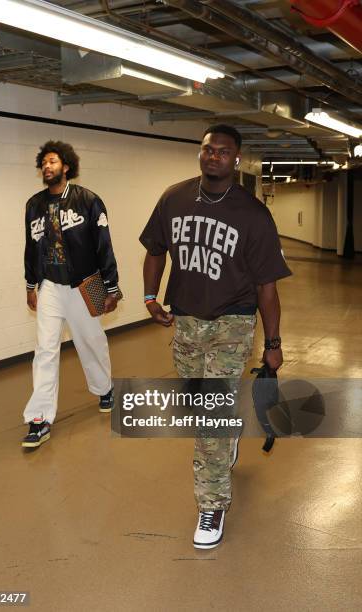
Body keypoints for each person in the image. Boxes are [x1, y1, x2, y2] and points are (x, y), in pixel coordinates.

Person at [139, 124, 291, 549]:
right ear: (200, 153)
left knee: (210, 415)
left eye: (224, 152)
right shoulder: (174, 198)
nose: (214, 157)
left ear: (236, 160)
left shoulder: (253, 215)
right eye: (208, 149)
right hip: (186, 319)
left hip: (233, 322)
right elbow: (155, 250)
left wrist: (273, 345)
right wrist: (151, 296)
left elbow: (267, 287)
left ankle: (212, 504)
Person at [23, 140, 120, 448]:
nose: (47, 167)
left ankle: (105, 388)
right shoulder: (33, 205)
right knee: (45, 350)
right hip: (50, 285)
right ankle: (39, 419)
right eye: (44, 163)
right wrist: (30, 284)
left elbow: (104, 244)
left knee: (91, 341)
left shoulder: (88, 200)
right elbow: (30, 248)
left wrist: (111, 286)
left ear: (66, 166)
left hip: (82, 284)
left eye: (53, 161)